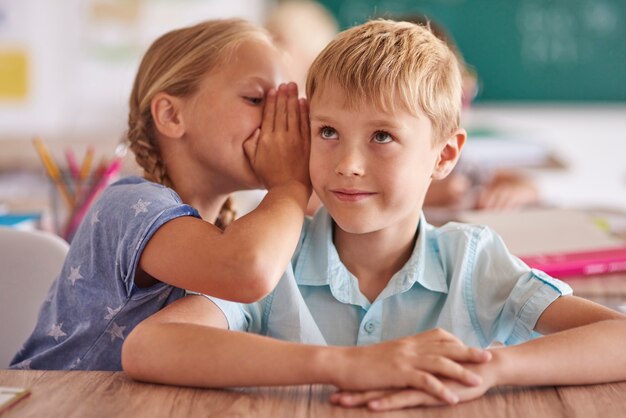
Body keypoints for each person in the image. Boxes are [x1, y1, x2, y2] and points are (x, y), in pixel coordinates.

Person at [121, 19, 626, 411]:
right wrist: (347, 366)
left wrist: (488, 369)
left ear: (445, 156)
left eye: (382, 136)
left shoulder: (471, 261)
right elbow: (149, 347)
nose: (348, 165)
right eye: (327, 132)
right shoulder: (278, 258)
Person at [10, 18, 312, 371]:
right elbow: (247, 271)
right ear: (170, 115)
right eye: (256, 98)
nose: (279, 121)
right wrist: (291, 183)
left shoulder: (232, 230)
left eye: (286, 105)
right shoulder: (127, 206)